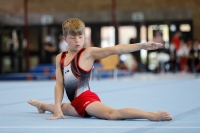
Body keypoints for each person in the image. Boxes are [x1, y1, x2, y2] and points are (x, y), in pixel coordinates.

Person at [28, 18, 172, 121]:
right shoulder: (60, 57)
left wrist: (142, 45)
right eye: (73, 37)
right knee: (64, 107)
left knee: (111, 114)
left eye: (80, 36)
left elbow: (115, 49)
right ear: (65, 39)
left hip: (86, 99)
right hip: (76, 102)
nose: (77, 40)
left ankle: (152, 115)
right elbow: (59, 85)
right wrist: (57, 109)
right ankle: (42, 105)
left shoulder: (88, 53)